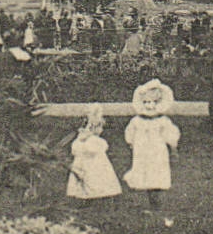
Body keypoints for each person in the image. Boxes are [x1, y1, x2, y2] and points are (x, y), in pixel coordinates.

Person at [124, 79, 180, 220]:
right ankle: (147, 202)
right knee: (144, 175)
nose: (149, 106)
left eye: (152, 102)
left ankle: (156, 203)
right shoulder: (137, 121)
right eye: (146, 102)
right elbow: (130, 133)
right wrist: (131, 143)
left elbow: (170, 134)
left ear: (158, 103)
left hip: (157, 151)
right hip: (142, 151)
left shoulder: (162, 120)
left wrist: (173, 148)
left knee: (157, 174)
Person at [67, 104, 122, 203]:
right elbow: (98, 148)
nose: (101, 130)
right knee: (95, 178)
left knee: (89, 178)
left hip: (83, 162)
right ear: (95, 128)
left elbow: (75, 150)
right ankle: (95, 195)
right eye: (100, 127)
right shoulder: (94, 141)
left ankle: (89, 196)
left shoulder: (80, 140)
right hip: (93, 164)